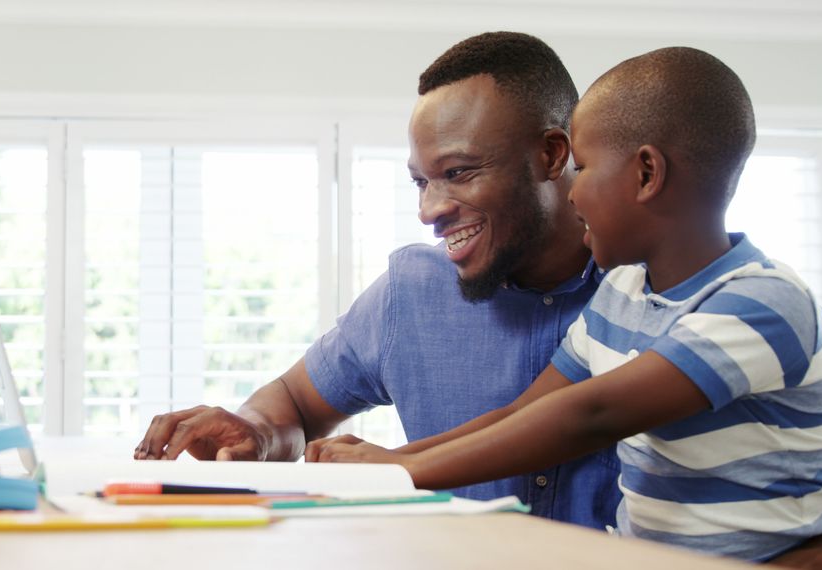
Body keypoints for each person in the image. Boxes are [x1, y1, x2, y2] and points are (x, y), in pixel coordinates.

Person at [307, 47, 822, 563]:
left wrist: (400, 473)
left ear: (646, 174)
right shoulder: (622, 294)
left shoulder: (762, 302)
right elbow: (523, 412)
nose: (571, 193)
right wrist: (391, 460)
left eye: (584, 167)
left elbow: (591, 415)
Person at [134, 31, 621, 530]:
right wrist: (259, 434)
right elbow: (295, 403)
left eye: (458, 172)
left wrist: (396, 466)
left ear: (552, 155)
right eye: (421, 181)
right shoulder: (410, 293)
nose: (429, 210)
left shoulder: (649, 292)